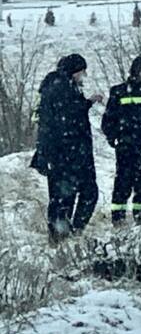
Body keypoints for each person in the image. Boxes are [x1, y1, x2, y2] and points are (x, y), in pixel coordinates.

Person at [31, 53, 100, 241]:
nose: (83, 76)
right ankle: (64, 237)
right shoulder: (60, 87)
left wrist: (87, 103)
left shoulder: (62, 86)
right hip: (65, 154)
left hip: (71, 153)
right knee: (69, 197)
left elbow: (69, 112)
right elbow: (65, 118)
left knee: (74, 196)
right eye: (81, 72)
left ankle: (68, 234)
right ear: (74, 70)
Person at [102, 56, 141, 223]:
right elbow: (108, 119)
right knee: (123, 182)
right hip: (126, 146)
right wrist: (113, 138)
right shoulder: (119, 91)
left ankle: (140, 217)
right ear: (135, 72)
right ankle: (118, 218)